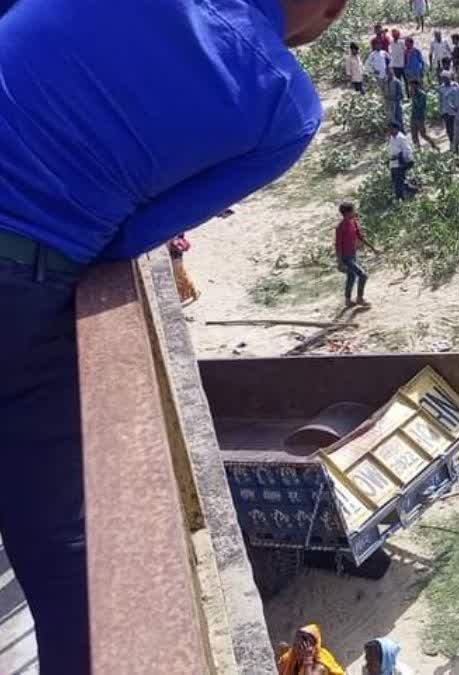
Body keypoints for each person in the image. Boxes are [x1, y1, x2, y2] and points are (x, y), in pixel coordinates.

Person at [0, 0, 336, 668]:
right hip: (23, 277)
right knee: (74, 552)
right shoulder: (285, 107)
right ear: (330, 12)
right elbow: (131, 234)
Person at [335, 203, 378, 308]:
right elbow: (338, 246)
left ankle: (348, 300)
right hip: (346, 257)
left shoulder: (354, 222)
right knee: (363, 275)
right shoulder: (340, 227)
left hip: (353, 255)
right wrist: (340, 262)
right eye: (353, 210)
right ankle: (360, 298)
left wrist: (373, 248)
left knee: (351, 277)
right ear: (347, 213)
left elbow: (361, 237)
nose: (355, 212)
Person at [277, 625, 346, 675]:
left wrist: (308, 660)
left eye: (304, 639)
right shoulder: (291, 656)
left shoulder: (320, 665)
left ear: (314, 646)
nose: (299, 641)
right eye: (298, 636)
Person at [167, 233, 199, 304]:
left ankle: (192, 292)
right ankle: (188, 293)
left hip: (175, 251)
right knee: (179, 273)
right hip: (173, 250)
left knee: (179, 273)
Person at [408, 80, 439, 150]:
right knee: (414, 135)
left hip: (420, 117)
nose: (411, 87)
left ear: (417, 85)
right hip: (413, 117)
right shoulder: (413, 94)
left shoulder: (422, 94)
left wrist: (414, 96)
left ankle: (433, 145)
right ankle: (418, 150)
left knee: (423, 134)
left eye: (413, 86)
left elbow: (420, 106)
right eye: (411, 86)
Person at [388, 124, 416, 200]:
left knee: (399, 183)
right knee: (397, 182)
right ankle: (413, 191)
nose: (390, 131)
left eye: (391, 129)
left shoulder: (401, 138)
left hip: (400, 163)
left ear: (396, 129)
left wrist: (407, 161)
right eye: (389, 129)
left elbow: (407, 150)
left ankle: (401, 199)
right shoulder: (392, 138)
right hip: (393, 164)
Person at [438, 72, 457, 143]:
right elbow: (440, 100)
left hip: (454, 111)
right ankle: (452, 144)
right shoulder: (441, 88)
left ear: (449, 78)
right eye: (443, 78)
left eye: (446, 78)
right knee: (449, 130)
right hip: (445, 112)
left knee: (456, 129)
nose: (444, 80)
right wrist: (440, 112)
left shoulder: (455, 85)